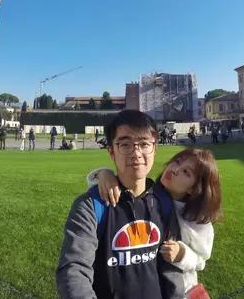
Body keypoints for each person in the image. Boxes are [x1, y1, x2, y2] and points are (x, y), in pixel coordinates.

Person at [57, 110, 183, 299]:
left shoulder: (164, 201)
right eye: (125, 145)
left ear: (155, 148)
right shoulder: (91, 206)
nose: (136, 153)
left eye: (144, 144)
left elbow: (171, 268)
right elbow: (73, 270)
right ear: (111, 152)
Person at [92, 147, 222, 298]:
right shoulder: (148, 195)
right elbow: (118, 193)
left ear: (194, 188)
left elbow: (201, 261)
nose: (175, 170)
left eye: (186, 172)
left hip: (181, 291)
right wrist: (104, 174)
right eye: (177, 162)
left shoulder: (197, 221)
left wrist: (182, 254)